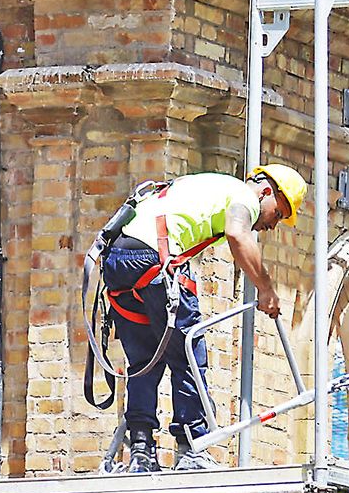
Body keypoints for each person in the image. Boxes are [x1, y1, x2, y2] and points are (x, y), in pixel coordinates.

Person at [99, 164, 306, 473]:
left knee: (145, 360)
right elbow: (238, 234)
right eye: (278, 213)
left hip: (118, 262)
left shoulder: (207, 184)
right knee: (188, 354)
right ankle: (191, 447)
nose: (272, 225)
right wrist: (266, 289)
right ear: (266, 191)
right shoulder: (243, 196)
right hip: (156, 260)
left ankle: (141, 451)